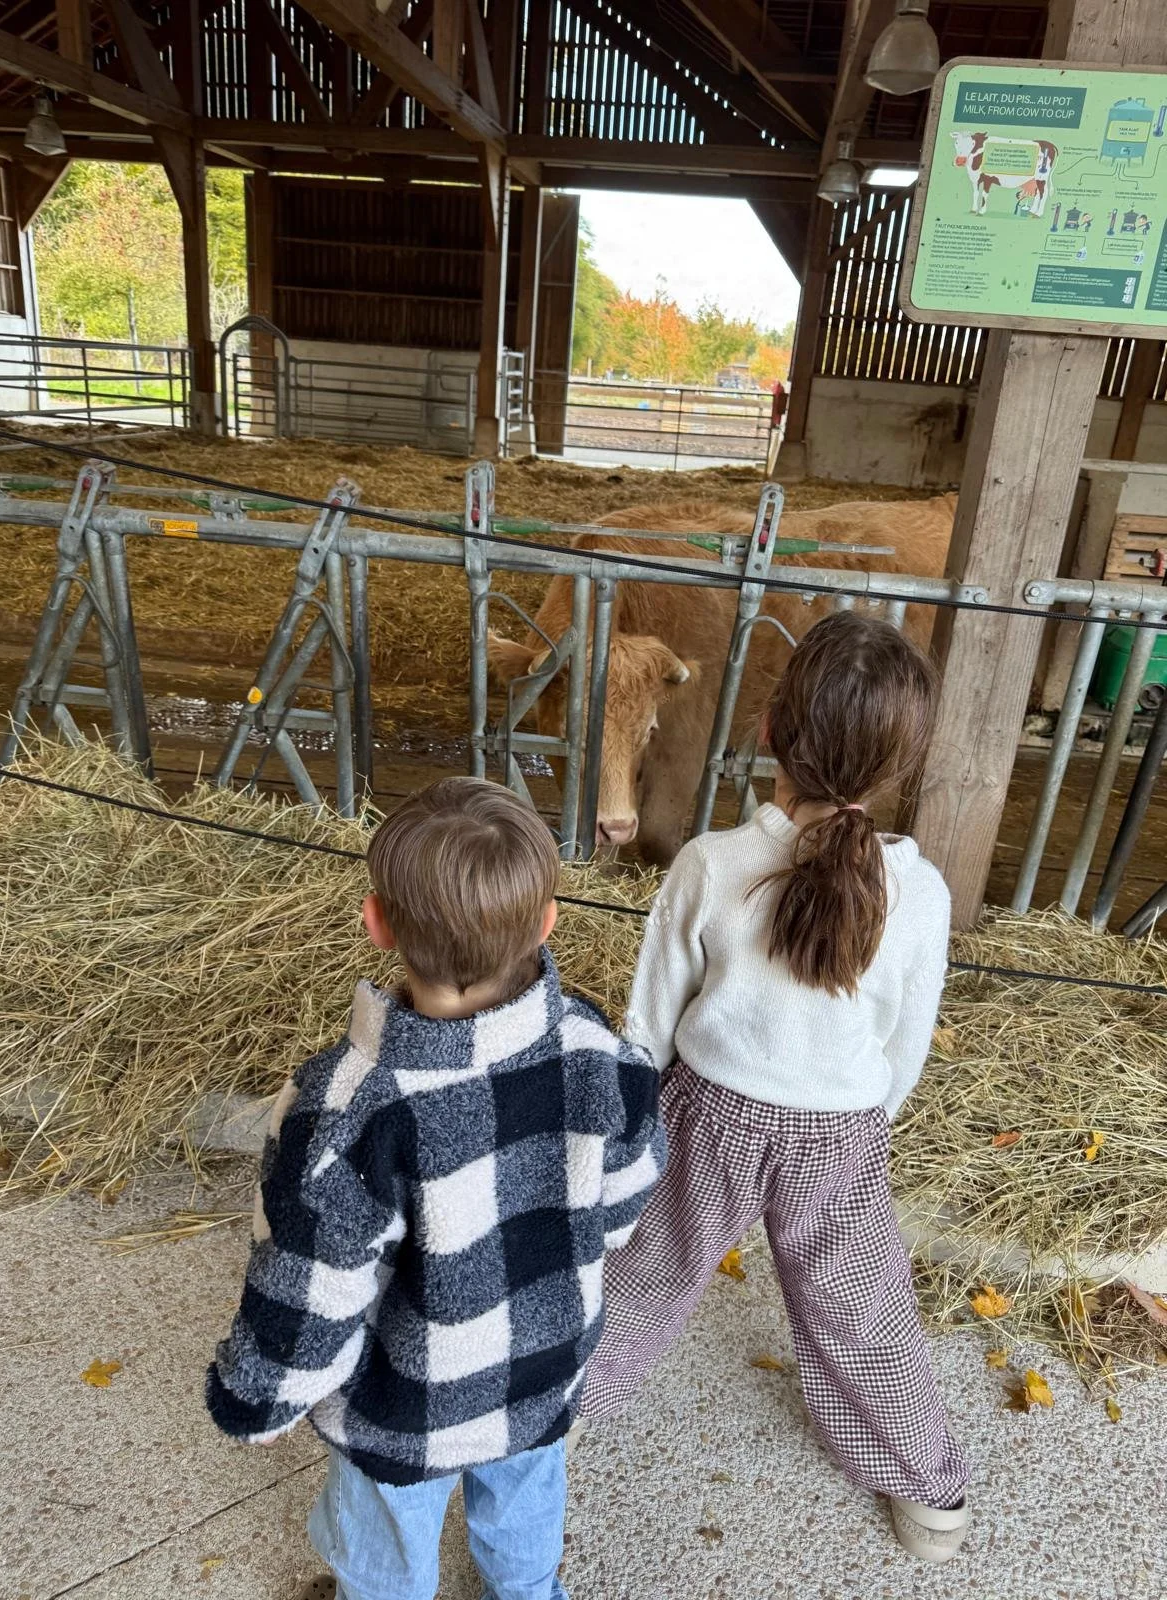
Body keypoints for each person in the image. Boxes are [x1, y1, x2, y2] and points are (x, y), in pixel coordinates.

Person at [206, 777, 666, 1600]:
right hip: (541, 1373)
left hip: (404, 1408)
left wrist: (261, 1399)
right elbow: (628, 1197)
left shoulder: (348, 1105)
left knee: (387, 1545)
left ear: (375, 922)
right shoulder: (599, 1049)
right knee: (527, 1508)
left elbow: (313, 1286)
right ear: (548, 921)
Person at [579, 611, 970, 1564]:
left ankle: (559, 1412)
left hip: (707, 1111)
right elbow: (903, 1049)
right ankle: (930, 1493)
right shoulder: (920, 894)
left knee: (644, 1273)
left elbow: (647, 1025)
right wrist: (859, 1122)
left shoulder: (710, 864)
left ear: (767, 732)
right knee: (859, 1306)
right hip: (840, 1130)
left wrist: (628, 1133)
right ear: (898, 767)